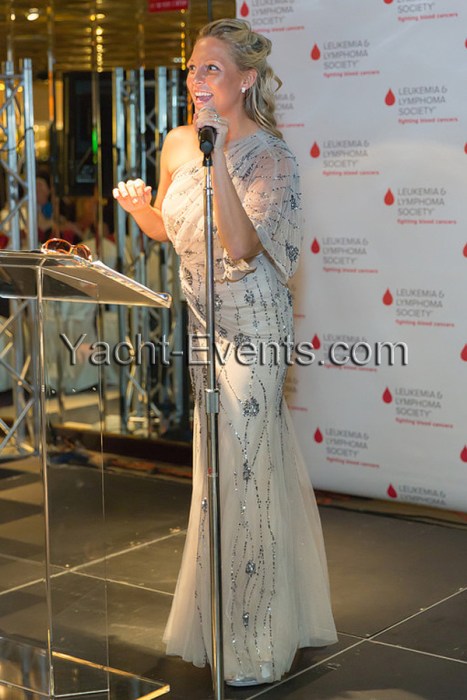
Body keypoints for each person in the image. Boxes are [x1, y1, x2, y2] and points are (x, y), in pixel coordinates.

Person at [113, 18, 337, 687]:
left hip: (256, 326)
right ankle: (227, 619)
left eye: (211, 68)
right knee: (219, 476)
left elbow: (240, 247)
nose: (196, 80)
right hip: (204, 328)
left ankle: (257, 638)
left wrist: (216, 161)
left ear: (245, 80)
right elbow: (172, 231)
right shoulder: (178, 142)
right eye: (191, 68)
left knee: (247, 472)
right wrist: (141, 211)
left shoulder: (271, 157)